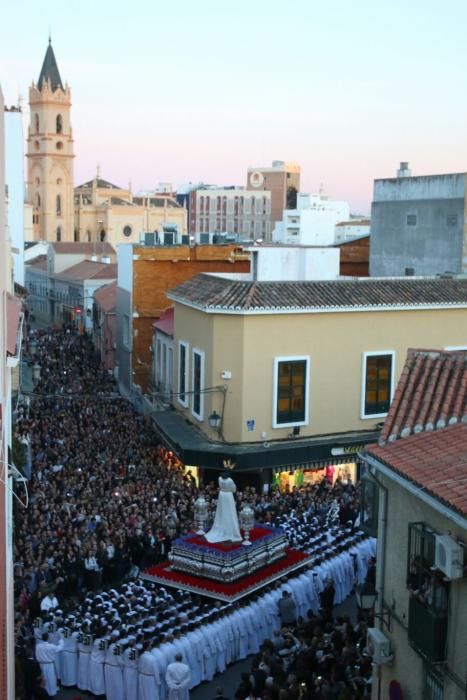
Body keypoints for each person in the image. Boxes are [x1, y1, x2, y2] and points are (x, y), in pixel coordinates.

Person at [205, 469, 242, 543]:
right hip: (228, 496)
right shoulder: (230, 480)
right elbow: (234, 489)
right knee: (229, 512)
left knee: (221, 512)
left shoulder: (219, 478)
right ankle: (229, 529)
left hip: (222, 495)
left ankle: (222, 527)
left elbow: (220, 486)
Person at [35, 632, 64, 697]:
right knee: (50, 678)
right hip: (49, 665)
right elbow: (60, 648)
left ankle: (44, 691)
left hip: (41, 664)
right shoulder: (51, 646)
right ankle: (51, 692)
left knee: (44, 677)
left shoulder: (38, 646)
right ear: (48, 638)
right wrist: (61, 640)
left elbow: (36, 655)